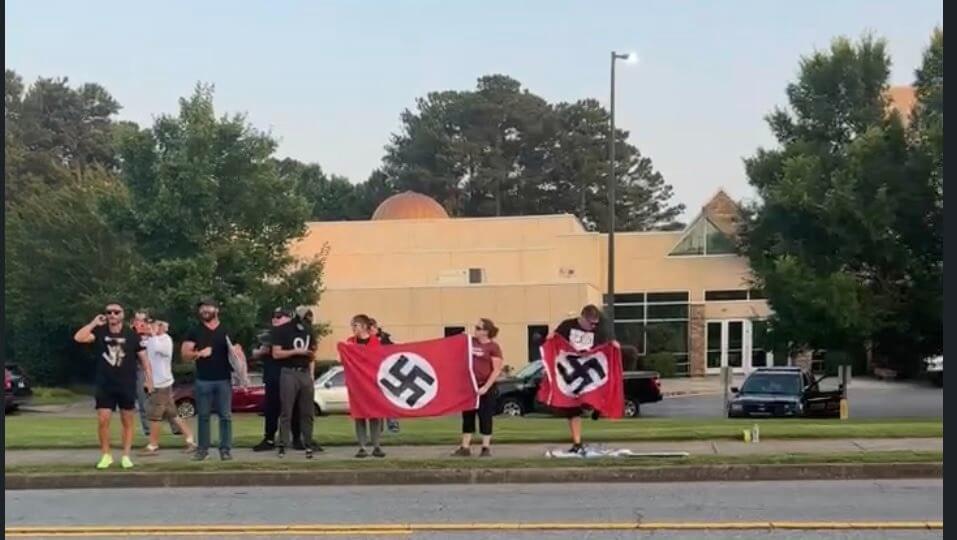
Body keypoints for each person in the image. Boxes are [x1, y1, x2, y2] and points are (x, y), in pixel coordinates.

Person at [74, 302, 153, 470]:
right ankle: (106, 455)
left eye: (116, 312)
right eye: (109, 312)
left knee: (127, 421)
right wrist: (94, 322)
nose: (112, 315)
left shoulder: (132, 336)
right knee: (103, 420)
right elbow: (79, 338)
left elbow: (144, 360)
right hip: (105, 384)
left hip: (126, 383)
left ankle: (126, 455)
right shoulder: (100, 332)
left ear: (123, 315)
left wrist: (149, 380)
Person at [181, 298, 244, 461]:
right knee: (203, 416)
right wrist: (199, 353)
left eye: (208, 307)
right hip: (203, 380)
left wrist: (242, 369)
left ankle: (225, 449)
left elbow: (238, 354)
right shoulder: (195, 330)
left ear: (216, 309)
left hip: (224, 379)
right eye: (201, 308)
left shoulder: (227, 330)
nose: (204, 310)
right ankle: (203, 450)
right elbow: (185, 354)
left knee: (225, 416)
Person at [550, 304, 615, 455]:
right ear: (582, 318)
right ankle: (577, 442)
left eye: (595, 324)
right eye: (591, 323)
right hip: (571, 370)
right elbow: (555, 340)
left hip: (589, 369)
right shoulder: (567, 326)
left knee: (594, 391)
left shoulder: (597, 331)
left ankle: (596, 406)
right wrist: (551, 338)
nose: (593, 326)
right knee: (573, 409)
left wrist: (612, 345)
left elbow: (603, 348)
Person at [252, 309, 306, 452]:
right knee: (271, 409)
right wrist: (261, 352)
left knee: (294, 409)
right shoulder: (268, 335)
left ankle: (296, 438)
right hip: (273, 376)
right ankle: (269, 438)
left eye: (279, 317)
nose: (275, 319)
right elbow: (255, 353)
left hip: (291, 375)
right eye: (274, 317)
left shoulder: (295, 334)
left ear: (289, 318)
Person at [140, 320, 196, 455]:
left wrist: (153, 335)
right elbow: (141, 345)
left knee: (155, 415)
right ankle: (191, 441)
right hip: (156, 382)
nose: (153, 327)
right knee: (173, 414)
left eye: (157, 325)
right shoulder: (152, 340)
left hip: (162, 384)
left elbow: (161, 350)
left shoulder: (165, 340)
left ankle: (153, 445)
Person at [453, 318, 504, 457]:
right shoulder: (471, 342)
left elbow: (496, 370)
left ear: (486, 331)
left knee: (485, 416)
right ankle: (465, 447)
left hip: (486, 387)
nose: (475, 330)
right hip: (470, 386)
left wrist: (486, 387)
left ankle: (485, 447)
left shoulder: (493, 347)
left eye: (478, 328)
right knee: (468, 416)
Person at [271, 307, 318, 459]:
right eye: (305, 317)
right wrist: (296, 352)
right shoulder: (282, 331)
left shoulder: (309, 331)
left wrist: (311, 374)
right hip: (289, 372)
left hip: (304, 373)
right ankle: (283, 444)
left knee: (307, 411)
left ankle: (308, 443)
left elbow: (312, 354)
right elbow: (276, 353)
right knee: (287, 410)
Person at [132, 311, 180, 438]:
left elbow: (161, 349)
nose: (141, 323)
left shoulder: (155, 334)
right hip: (141, 369)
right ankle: (148, 430)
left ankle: (176, 427)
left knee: (167, 402)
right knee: (143, 400)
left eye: (144, 320)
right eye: (138, 320)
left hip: (157, 371)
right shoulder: (133, 335)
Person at [346, 314, 386, 458]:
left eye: (355, 325)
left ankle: (376, 445)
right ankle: (362, 446)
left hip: (372, 384)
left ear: (363, 327)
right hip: (357, 385)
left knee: (375, 416)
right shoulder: (350, 342)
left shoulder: (375, 342)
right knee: (360, 416)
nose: (353, 328)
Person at [370, 318, 400, 435]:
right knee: (377, 402)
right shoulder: (366, 341)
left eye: (371, 327)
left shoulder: (384, 339)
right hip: (373, 374)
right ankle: (379, 427)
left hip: (386, 375)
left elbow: (393, 350)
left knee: (388, 398)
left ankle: (392, 423)